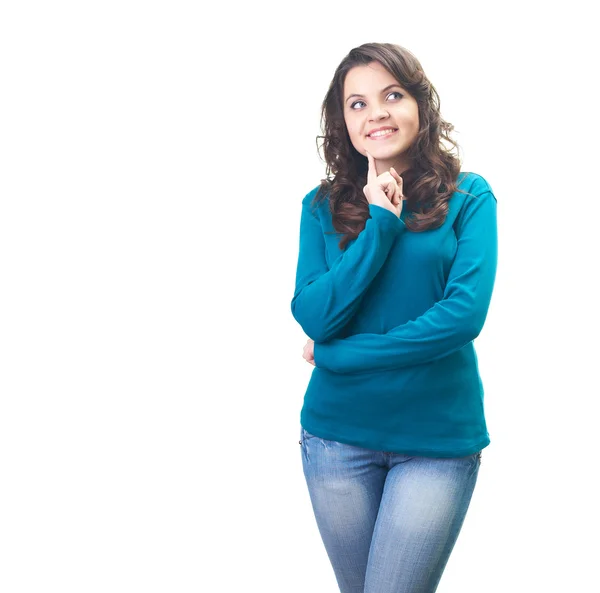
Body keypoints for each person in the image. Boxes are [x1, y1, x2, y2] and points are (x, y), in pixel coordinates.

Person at [290, 42, 498, 593]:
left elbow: (461, 317)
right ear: (343, 123)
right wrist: (381, 224)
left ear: (420, 107)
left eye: (391, 95)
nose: (375, 112)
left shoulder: (468, 197)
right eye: (356, 104)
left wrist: (339, 354)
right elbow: (314, 312)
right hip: (335, 438)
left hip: (435, 441)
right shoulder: (322, 206)